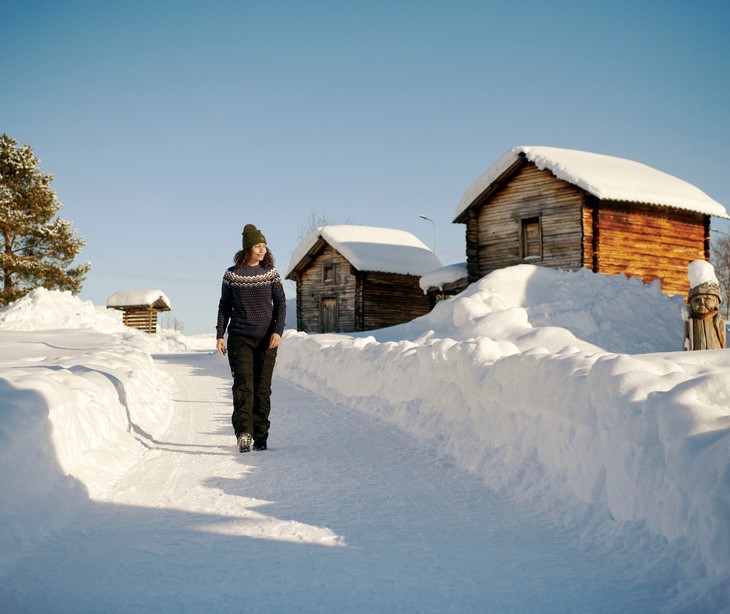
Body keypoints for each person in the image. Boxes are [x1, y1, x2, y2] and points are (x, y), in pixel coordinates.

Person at [216, 224, 286, 452]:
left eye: (264, 246)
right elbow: (224, 306)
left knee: (262, 389)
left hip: (267, 339)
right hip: (240, 338)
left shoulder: (270, 273)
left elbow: (281, 304)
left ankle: (261, 435)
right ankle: (244, 433)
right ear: (247, 248)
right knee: (243, 386)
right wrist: (220, 334)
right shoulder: (232, 275)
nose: (262, 250)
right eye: (258, 245)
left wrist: (277, 331)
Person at [683, 280, 726, 351]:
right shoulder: (690, 321)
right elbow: (685, 345)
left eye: (707, 299)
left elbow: (723, 342)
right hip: (695, 358)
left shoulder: (718, 320)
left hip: (715, 357)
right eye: (697, 300)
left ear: (716, 303)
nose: (701, 303)